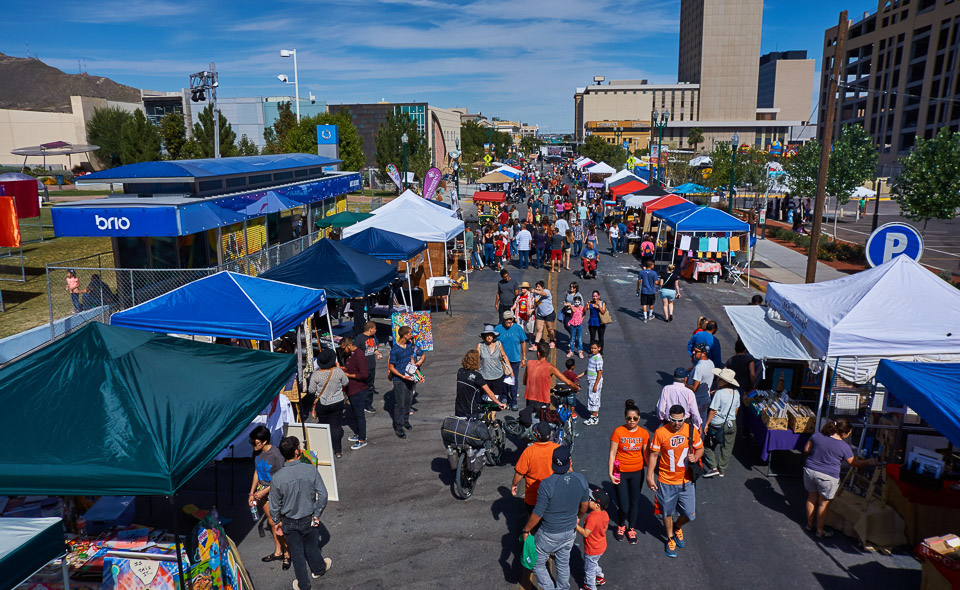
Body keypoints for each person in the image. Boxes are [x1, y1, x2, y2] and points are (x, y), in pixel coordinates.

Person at [522, 446, 590, 590]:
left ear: (552, 462)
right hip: (570, 532)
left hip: (549, 533)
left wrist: (526, 530)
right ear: (569, 461)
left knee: (537, 563)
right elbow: (584, 505)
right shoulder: (580, 479)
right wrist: (577, 518)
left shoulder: (547, 484)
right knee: (563, 563)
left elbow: (538, 513)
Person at [268, 436, 332, 589]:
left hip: (289, 520)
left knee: (296, 554)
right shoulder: (310, 469)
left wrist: (277, 522)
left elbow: (274, 506)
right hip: (308, 517)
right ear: (297, 451)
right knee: (312, 546)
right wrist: (316, 514)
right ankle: (318, 569)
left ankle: (303, 585)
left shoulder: (277, 478)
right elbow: (323, 495)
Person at [803, 418, 878, 538]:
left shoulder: (817, 435)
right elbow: (853, 463)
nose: (848, 435)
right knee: (823, 504)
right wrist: (868, 462)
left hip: (810, 471)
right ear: (844, 433)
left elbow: (807, 449)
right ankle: (820, 531)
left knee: (811, 498)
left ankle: (809, 524)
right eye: (849, 433)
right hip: (827, 477)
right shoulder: (844, 447)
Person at [647, 405, 704, 559]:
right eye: (673, 420)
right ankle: (670, 538)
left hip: (686, 481)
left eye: (680, 420)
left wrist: (696, 457)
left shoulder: (691, 430)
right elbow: (653, 455)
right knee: (666, 512)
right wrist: (650, 475)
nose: (677, 423)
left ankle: (677, 526)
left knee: (690, 514)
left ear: (685, 418)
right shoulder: (661, 432)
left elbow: (700, 449)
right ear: (668, 418)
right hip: (666, 480)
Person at [608, 399, 650, 544]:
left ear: (639, 418)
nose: (632, 421)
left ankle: (631, 528)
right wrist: (611, 473)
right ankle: (621, 525)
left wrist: (650, 473)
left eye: (635, 418)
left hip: (637, 472)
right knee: (624, 505)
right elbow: (613, 454)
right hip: (620, 470)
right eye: (629, 418)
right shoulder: (618, 432)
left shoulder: (644, 433)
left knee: (634, 503)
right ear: (625, 418)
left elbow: (646, 454)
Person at [248, 425, 289, 569]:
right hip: (262, 493)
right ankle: (278, 551)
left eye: (255, 443)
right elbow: (257, 472)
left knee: (279, 524)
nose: (253, 445)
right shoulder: (257, 453)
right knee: (271, 522)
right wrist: (252, 493)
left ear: (264, 441)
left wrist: (264, 491)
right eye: (251, 442)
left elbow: (282, 477)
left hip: (275, 492)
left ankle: (287, 553)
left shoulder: (276, 454)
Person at [308, 349, 349, 458]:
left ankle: (325, 449)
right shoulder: (338, 371)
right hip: (337, 402)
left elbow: (311, 390)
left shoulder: (316, 375)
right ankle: (338, 450)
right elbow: (346, 382)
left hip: (322, 403)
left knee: (324, 425)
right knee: (335, 426)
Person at [512, 422, 561, 513]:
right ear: (550, 434)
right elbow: (569, 470)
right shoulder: (558, 449)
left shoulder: (528, 452)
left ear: (535, 435)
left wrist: (514, 485)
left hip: (534, 497)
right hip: (554, 495)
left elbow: (519, 473)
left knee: (533, 520)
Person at [702, 368, 740, 478]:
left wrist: (707, 423)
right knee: (727, 447)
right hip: (731, 423)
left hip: (718, 423)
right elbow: (736, 409)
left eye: (720, 379)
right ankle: (722, 469)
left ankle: (713, 467)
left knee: (708, 446)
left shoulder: (719, 393)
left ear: (725, 381)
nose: (717, 380)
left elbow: (713, 411)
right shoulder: (736, 393)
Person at [524, 341, 579, 412]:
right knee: (542, 421)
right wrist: (577, 387)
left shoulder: (529, 363)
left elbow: (525, 381)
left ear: (538, 353)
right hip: (542, 400)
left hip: (529, 399)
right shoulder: (550, 367)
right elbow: (568, 382)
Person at [340, 337, 371, 451]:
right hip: (351, 389)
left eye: (344, 348)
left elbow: (363, 375)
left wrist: (349, 375)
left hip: (358, 389)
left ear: (348, 345)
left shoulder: (359, 355)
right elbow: (351, 369)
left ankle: (362, 439)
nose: (343, 351)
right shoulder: (351, 355)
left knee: (359, 415)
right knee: (355, 414)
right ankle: (358, 433)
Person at [576, 489, 610, 590]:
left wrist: (575, 525)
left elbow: (586, 533)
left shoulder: (592, 517)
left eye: (591, 499)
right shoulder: (605, 514)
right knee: (593, 563)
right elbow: (605, 528)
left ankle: (589, 586)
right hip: (601, 546)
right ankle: (599, 577)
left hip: (592, 549)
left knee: (589, 569)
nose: (588, 500)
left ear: (597, 505)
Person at [388, 326, 418, 439]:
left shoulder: (409, 345)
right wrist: (402, 376)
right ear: (404, 335)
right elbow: (391, 367)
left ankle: (406, 420)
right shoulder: (395, 350)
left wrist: (417, 373)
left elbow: (411, 358)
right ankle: (398, 426)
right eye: (410, 333)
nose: (411, 335)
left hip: (409, 377)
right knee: (400, 404)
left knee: (408, 401)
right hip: (399, 380)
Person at [455, 350, 504, 418]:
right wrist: (499, 403)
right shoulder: (477, 376)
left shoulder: (460, 372)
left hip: (459, 409)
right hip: (470, 410)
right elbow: (489, 392)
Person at [495, 311, 527, 411]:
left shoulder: (518, 329)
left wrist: (524, 357)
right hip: (502, 360)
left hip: (514, 359)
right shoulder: (498, 329)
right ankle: (504, 397)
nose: (508, 321)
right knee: (503, 380)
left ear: (513, 319)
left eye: (510, 319)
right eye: (506, 319)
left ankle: (513, 401)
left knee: (513, 380)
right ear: (503, 319)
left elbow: (523, 342)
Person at [477, 323, 510, 407]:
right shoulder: (480, 346)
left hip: (497, 376)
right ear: (484, 336)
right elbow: (476, 360)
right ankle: (486, 416)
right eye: (487, 335)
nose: (489, 337)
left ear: (493, 336)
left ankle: (492, 417)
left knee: (496, 398)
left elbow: (504, 356)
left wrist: (510, 370)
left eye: (490, 335)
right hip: (484, 376)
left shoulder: (498, 344)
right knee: (485, 399)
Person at [686, 343, 715, 426]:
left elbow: (695, 388)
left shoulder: (699, 368)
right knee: (702, 422)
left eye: (696, 351)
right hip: (706, 398)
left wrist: (685, 384)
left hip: (697, 400)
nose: (693, 352)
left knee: (693, 423)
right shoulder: (710, 363)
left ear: (704, 353)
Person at [360, 322, 382, 413]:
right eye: (375, 329)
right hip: (363, 367)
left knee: (370, 386)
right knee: (362, 386)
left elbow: (374, 349)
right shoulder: (359, 339)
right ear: (370, 329)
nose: (376, 330)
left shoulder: (373, 338)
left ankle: (368, 405)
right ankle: (361, 404)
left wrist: (378, 353)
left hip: (372, 366)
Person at [583, 341, 603, 426]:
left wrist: (595, 384)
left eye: (595, 348)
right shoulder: (592, 357)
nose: (593, 350)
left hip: (594, 381)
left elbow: (599, 372)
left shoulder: (598, 359)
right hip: (591, 380)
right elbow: (589, 369)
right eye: (591, 348)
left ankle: (594, 418)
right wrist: (582, 374)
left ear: (599, 348)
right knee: (593, 397)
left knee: (593, 398)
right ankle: (594, 415)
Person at [533, 280, 557, 349]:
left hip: (549, 314)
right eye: (536, 287)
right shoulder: (536, 295)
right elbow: (537, 303)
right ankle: (536, 344)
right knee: (539, 329)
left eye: (539, 287)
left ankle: (552, 340)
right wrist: (533, 308)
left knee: (549, 329)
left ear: (543, 287)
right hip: (540, 314)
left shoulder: (547, 292)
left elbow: (544, 294)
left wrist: (535, 291)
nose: (537, 288)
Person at [565, 294, 585, 359]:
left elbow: (584, 312)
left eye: (578, 302)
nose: (577, 303)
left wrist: (582, 318)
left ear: (580, 302)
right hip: (573, 325)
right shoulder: (573, 307)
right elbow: (573, 311)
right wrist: (570, 305)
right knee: (572, 339)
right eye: (575, 302)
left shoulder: (582, 307)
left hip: (579, 325)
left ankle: (580, 351)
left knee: (579, 339)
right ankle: (571, 351)